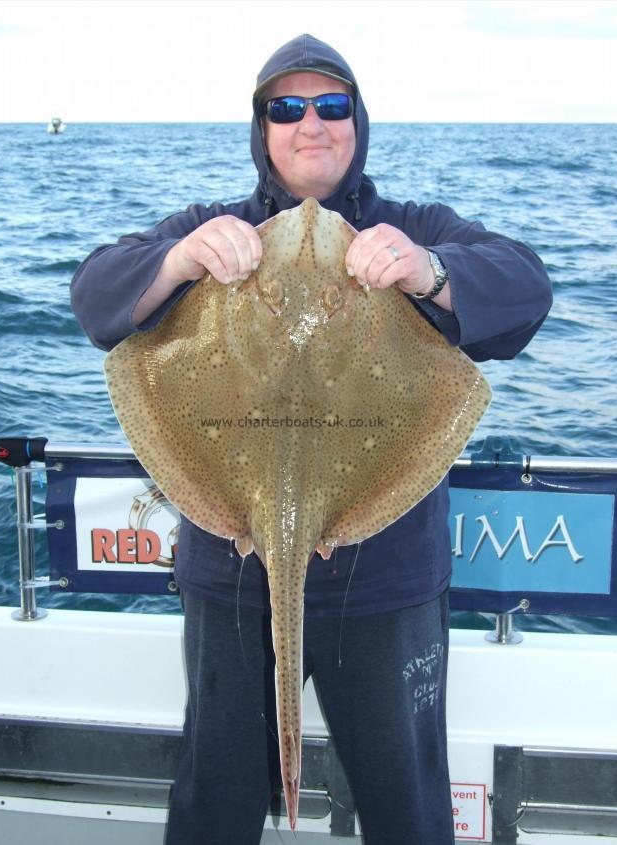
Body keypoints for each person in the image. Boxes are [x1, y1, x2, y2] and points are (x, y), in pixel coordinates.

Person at [71, 34, 552, 845]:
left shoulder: (414, 226)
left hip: (385, 575)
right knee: (214, 800)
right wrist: (180, 260)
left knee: (408, 806)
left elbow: (526, 286)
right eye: (285, 108)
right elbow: (95, 296)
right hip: (232, 565)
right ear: (261, 129)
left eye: (330, 105)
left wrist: (428, 270)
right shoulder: (209, 228)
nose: (310, 125)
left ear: (357, 122)